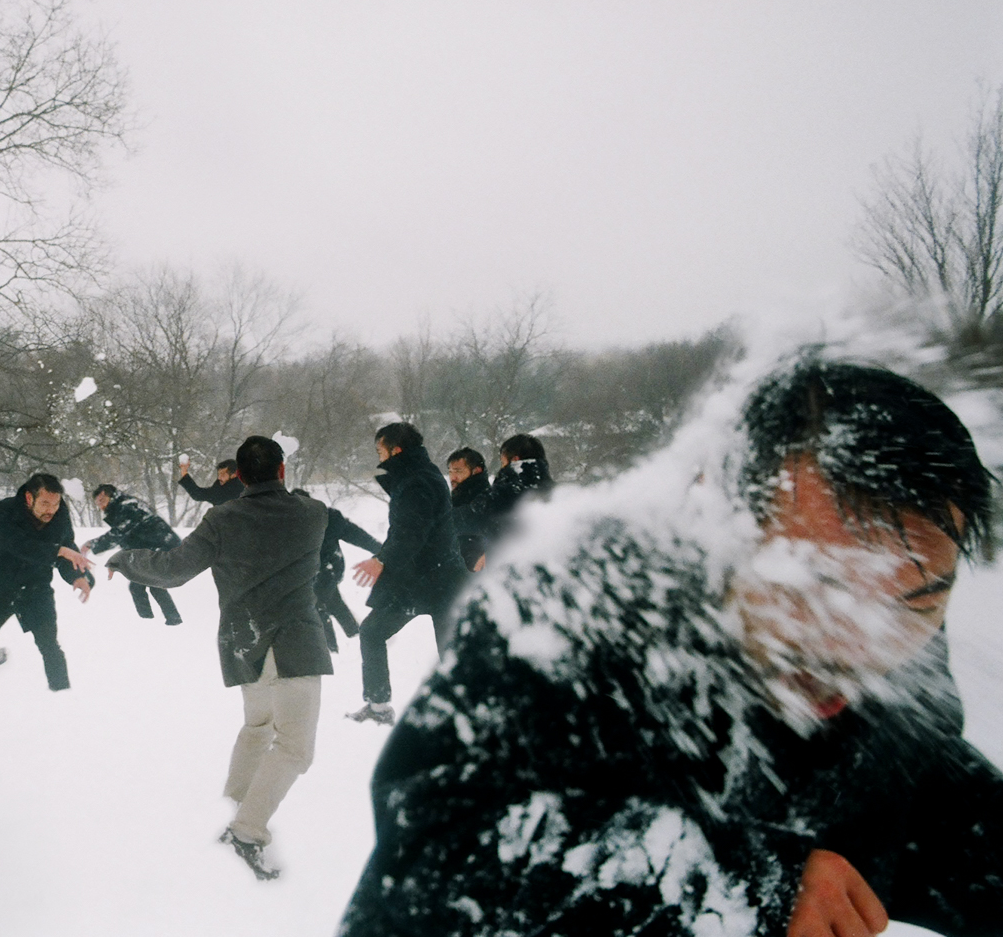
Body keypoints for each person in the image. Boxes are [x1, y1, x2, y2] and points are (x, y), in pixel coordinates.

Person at [338, 358, 1003, 936]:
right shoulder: (556, 633)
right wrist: (749, 888)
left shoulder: (899, 701)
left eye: (915, 602)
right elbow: (429, 877)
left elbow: (932, 808)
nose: (855, 650)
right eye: (811, 587)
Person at [107, 436, 330, 880]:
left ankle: (234, 801)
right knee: (295, 749)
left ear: (239, 477)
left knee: (258, 726)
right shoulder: (313, 513)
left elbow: (173, 570)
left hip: (243, 642)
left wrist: (126, 558)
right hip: (293, 644)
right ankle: (245, 831)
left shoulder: (223, 519)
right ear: (283, 471)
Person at [347, 422, 462, 725]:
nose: (379, 458)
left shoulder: (416, 482)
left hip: (430, 579)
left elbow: (411, 533)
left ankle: (469, 710)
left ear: (395, 449)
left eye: (380, 451)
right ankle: (379, 705)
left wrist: (381, 559)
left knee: (448, 650)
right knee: (376, 633)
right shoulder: (419, 474)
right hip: (432, 578)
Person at [0, 472, 94, 690]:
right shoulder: (3, 512)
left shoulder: (59, 514)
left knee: (50, 648)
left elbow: (67, 547)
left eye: (56, 504)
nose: (51, 510)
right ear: (29, 498)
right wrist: (59, 551)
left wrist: (77, 576)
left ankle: (62, 696)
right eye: (45, 503)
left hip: (36, 589)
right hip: (1, 588)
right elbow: (18, 545)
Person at [81, 484, 183, 625]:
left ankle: (154, 622)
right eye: (97, 503)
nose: (100, 506)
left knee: (143, 586)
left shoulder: (128, 507)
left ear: (110, 496)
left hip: (163, 547)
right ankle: (162, 620)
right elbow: (129, 540)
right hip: (154, 548)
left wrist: (91, 544)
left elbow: (118, 534)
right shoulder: (123, 506)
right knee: (144, 585)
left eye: (101, 501)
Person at [294, 488, 379, 652]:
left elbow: (356, 535)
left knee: (318, 606)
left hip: (328, 569)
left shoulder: (328, 517)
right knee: (333, 602)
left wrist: (379, 548)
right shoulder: (288, 523)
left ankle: (330, 649)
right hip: (314, 572)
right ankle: (354, 634)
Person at [483, 432, 554, 550]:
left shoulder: (502, 494)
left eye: (503, 462)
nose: (502, 468)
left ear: (515, 460)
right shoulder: (560, 496)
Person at [445, 447, 492, 571]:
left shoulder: (485, 499)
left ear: (476, 471)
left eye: (458, 471)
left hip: (474, 574)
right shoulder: (455, 498)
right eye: (450, 472)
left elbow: (465, 522)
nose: (452, 477)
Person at [178, 457, 245, 506]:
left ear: (234, 475)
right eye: (218, 474)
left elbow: (198, 494)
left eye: (223, 474)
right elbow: (198, 494)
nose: (219, 477)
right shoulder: (220, 487)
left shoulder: (237, 491)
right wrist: (184, 471)